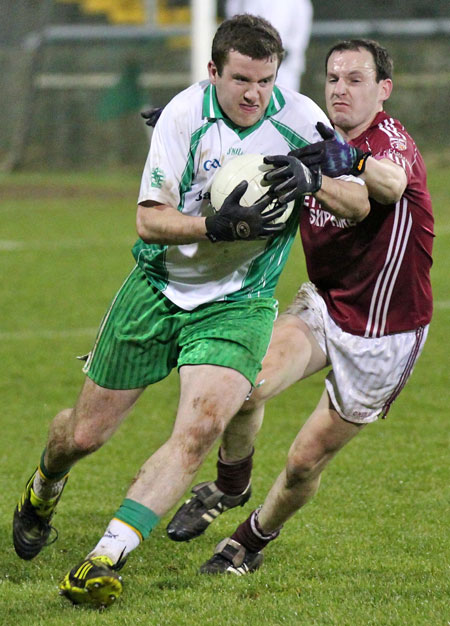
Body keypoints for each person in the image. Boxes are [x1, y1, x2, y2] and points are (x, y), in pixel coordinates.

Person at [12, 15, 368, 609]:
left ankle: (103, 559)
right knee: (82, 436)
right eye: (241, 80)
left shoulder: (301, 117)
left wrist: (316, 177)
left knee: (199, 429)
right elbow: (149, 219)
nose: (255, 94)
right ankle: (45, 485)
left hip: (239, 301)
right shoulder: (184, 116)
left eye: (266, 80)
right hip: (158, 289)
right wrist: (215, 225)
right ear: (213, 73)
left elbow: (357, 200)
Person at [165, 39, 434, 575]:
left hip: (384, 334)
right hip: (325, 304)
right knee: (247, 383)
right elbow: (241, 135)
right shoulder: (309, 129)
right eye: (333, 78)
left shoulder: (388, 141)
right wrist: (178, 130)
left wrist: (351, 160)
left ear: (383, 90)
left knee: (303, 461)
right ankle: (230, 483)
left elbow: (390, 183)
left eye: (355, 79)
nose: (340, 88)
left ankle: (251, 540)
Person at [225, 0, 313, 91]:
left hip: (285, 66)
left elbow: (301, 26)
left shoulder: (297, 3)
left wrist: (289, 49)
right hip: (250, 58)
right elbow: (233, 17)